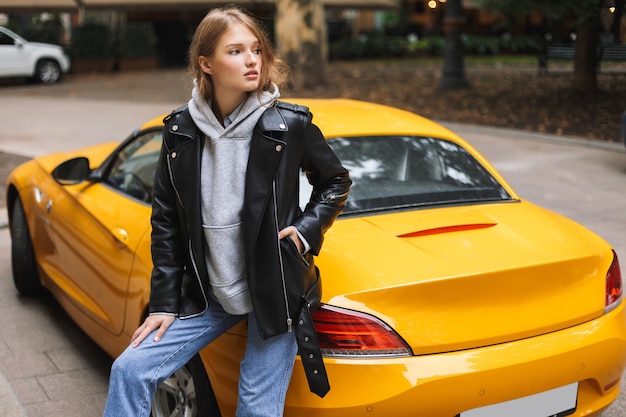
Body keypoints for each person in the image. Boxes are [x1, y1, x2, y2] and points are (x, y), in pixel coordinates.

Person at [102, 5, 351, 417]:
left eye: (256, 49)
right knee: (130, 369)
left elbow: (335, 180)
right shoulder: (180, 132)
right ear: (207, 63)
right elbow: (165, 220)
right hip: (210, 293)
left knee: (255, 405)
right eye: (235, 51)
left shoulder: (288, 125)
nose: (252, 59)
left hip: (273, 288)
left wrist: (306, 230)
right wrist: (164, 303)